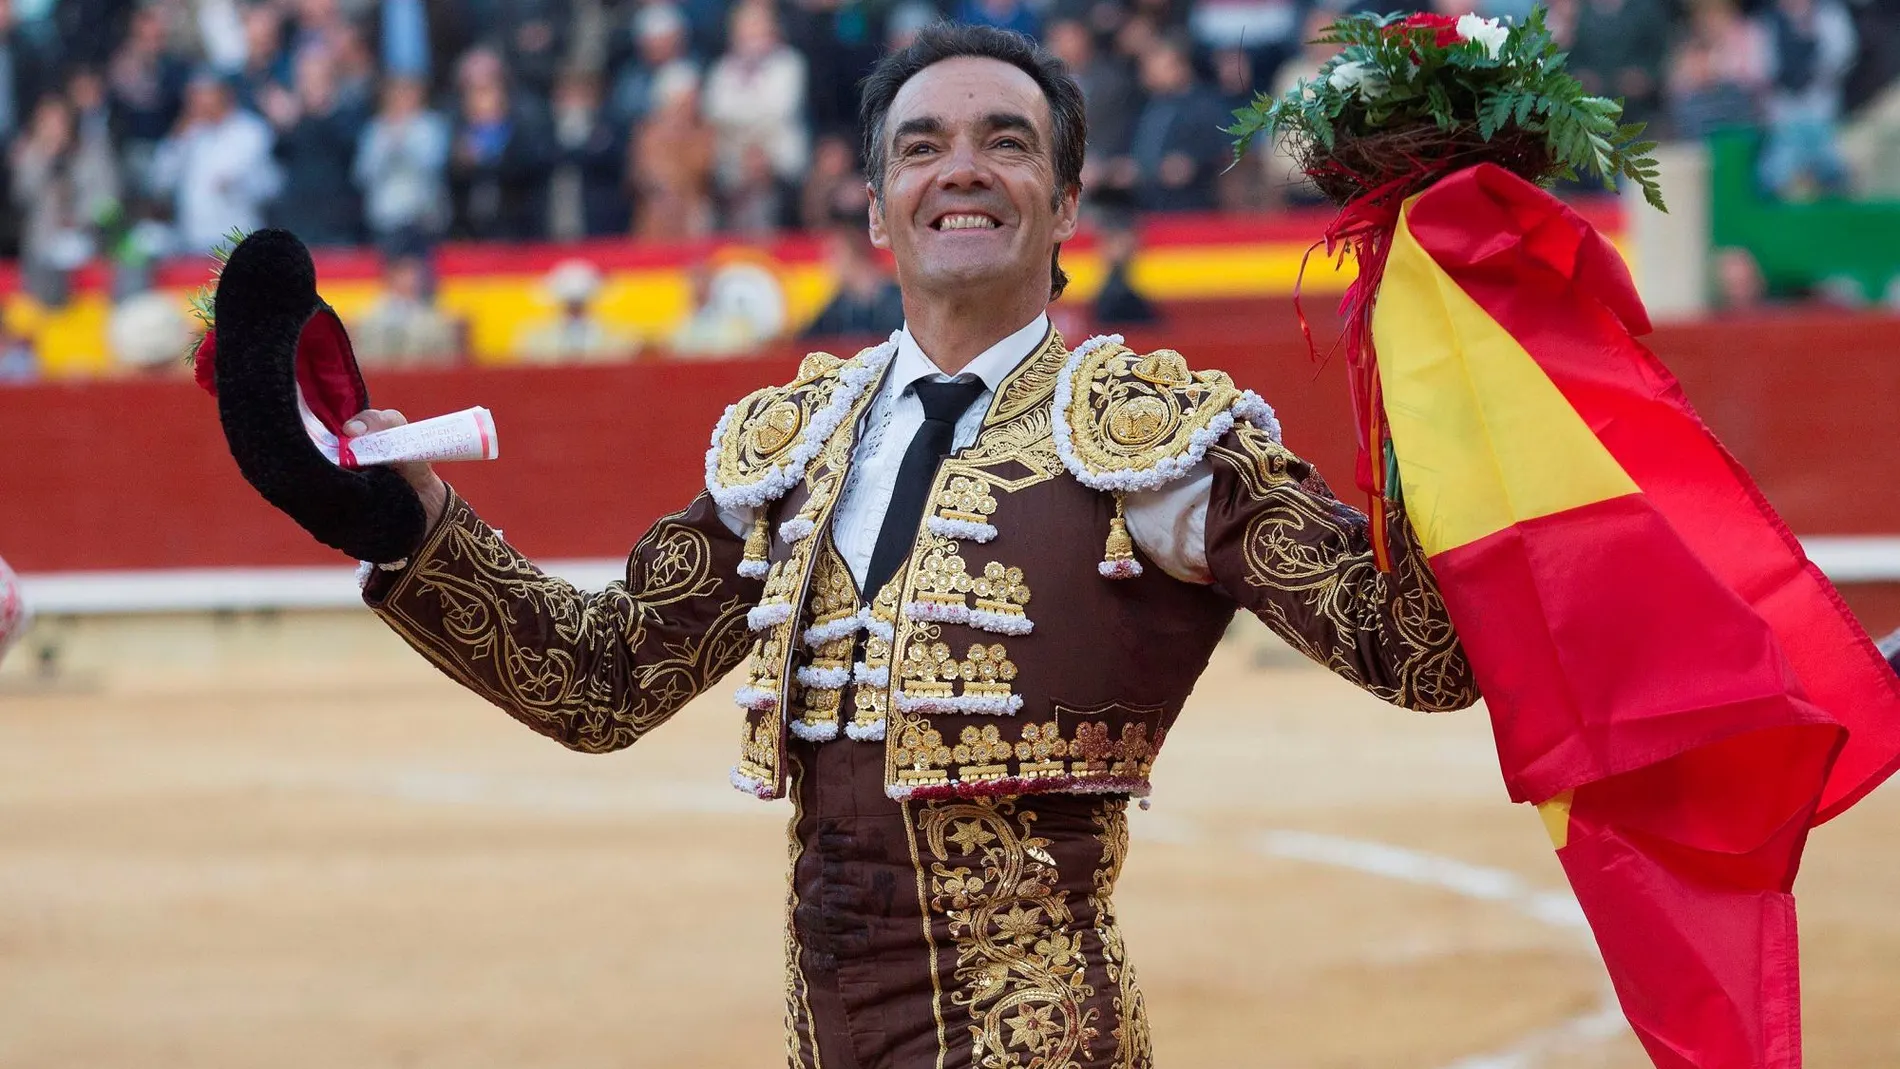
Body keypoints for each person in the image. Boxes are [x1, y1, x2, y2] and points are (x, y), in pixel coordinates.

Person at [315, 25, 1473, 1066]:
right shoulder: (798, 443)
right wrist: (404, 520)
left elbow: (1417, 651)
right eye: (920, 146)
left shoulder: (1152, 440)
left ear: (1066, 202)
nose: (959, 167)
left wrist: (1447, 331)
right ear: (876, 211)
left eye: (1004, 142)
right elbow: (599, 680)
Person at [802, 222, 905, 339]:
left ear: (854, 255)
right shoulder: (836, 306)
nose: (827, 263)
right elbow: (805, 342)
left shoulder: (897, 300)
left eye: (833, 254)